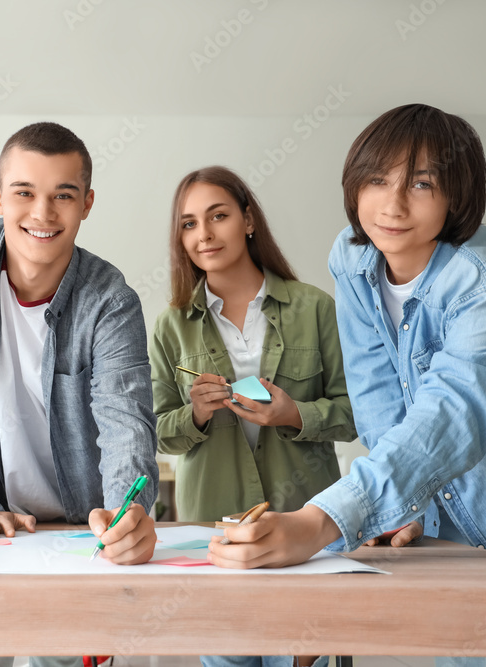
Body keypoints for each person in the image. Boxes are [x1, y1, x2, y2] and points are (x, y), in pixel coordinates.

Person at [209, 105, 486, 581]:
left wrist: (322, 520)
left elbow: (451, 415)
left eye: (421, 184)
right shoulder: (353, 257)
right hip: (436, 523)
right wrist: (397, 507)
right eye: (377, 180)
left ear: (458, 196)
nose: (392, 206)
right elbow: (378, 399)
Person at [0, 121, 159, 667]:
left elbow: (126, 417)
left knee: (65, 657)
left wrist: (127, 511)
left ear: (87, 203)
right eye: (24, 193)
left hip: (79, 527)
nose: (42, 214)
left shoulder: (112, 301)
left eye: (62, 196)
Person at [151, 166, 354, 667]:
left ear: (247, 219)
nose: (204, 234)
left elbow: (358, 414)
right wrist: (194, 415)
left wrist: (293, 413)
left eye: (217, 216)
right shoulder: (170, 325)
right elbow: (156, 431)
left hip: (304, 522)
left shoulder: (315, 307)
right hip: (213, 532)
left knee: (299, 656)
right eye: (189, 224)